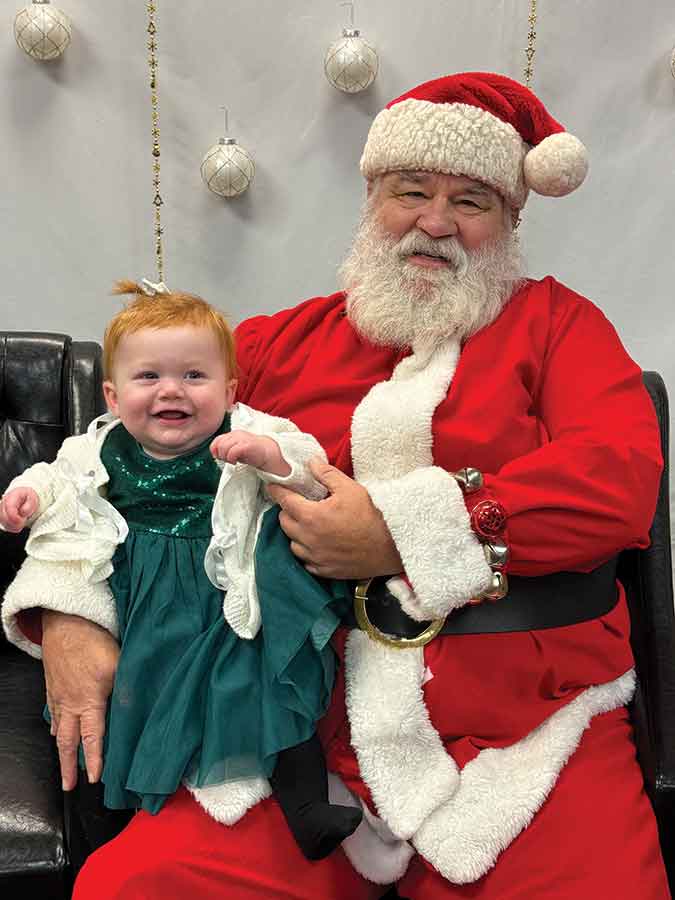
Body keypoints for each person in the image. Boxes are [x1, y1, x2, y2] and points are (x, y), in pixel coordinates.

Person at [3, 71, 670, 899]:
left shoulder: (560, 327)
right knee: (138, 887)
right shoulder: (273, 345)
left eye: (471, 201)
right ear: (370, 196)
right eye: (411, 191)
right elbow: (114, 466)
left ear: (511, 221)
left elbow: (615, 483)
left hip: (531, 727)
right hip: (301, 735)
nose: (434, 222)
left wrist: (398, 532)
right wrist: (69, 611)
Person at [0, 280, 362, 862]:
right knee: (127, 698)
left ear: (229, 390)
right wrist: (26, 496)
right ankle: (119, 818)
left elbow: (312, 473)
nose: (173, 390)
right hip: (141, 599)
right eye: (149, 378)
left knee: (265, 685)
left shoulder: (249, 432)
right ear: (113, 397)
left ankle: (306, 807)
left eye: (195, 376)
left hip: (224, 595)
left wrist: (270, 460)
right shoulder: (97, 447)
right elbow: (53, 478)